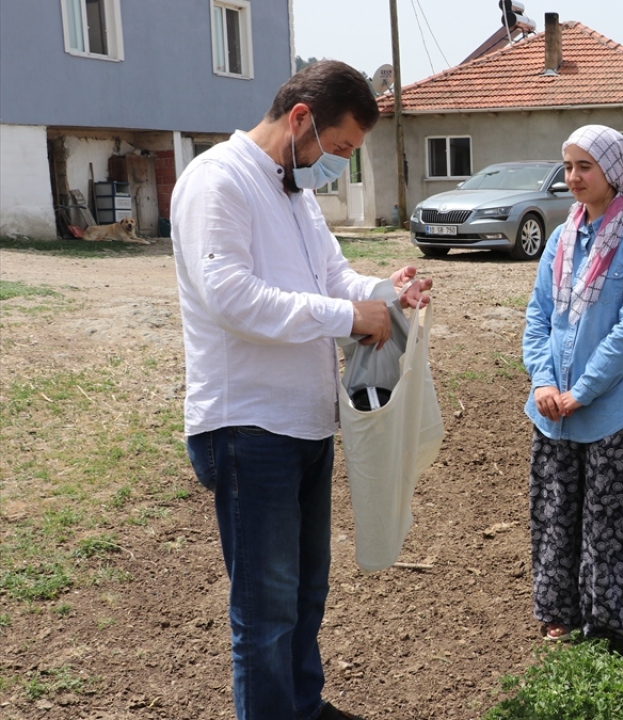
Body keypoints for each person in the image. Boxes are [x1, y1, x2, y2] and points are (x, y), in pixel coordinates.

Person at [171, 60, 430, 720]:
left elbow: (331, 276)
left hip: (306, 423)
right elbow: (230, 298)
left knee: (304, 592)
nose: (339, 166)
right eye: (339, 149)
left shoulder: (294, 194)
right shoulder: (217, 182)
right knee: (264, 608)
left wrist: (384, 296)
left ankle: (302, 706)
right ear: (300, 119)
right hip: (246, 426)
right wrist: (349, 317)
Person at [521, 125, 623, 679]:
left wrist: (582, 392)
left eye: (585, 166)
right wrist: (542, 383)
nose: (573, 177)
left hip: (611, 412)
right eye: (568, 165)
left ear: (614, 172)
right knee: (557, 516)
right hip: (553, 410)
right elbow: (538, 316)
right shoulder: (561, 240)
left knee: (618, 522)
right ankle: (562, 612)